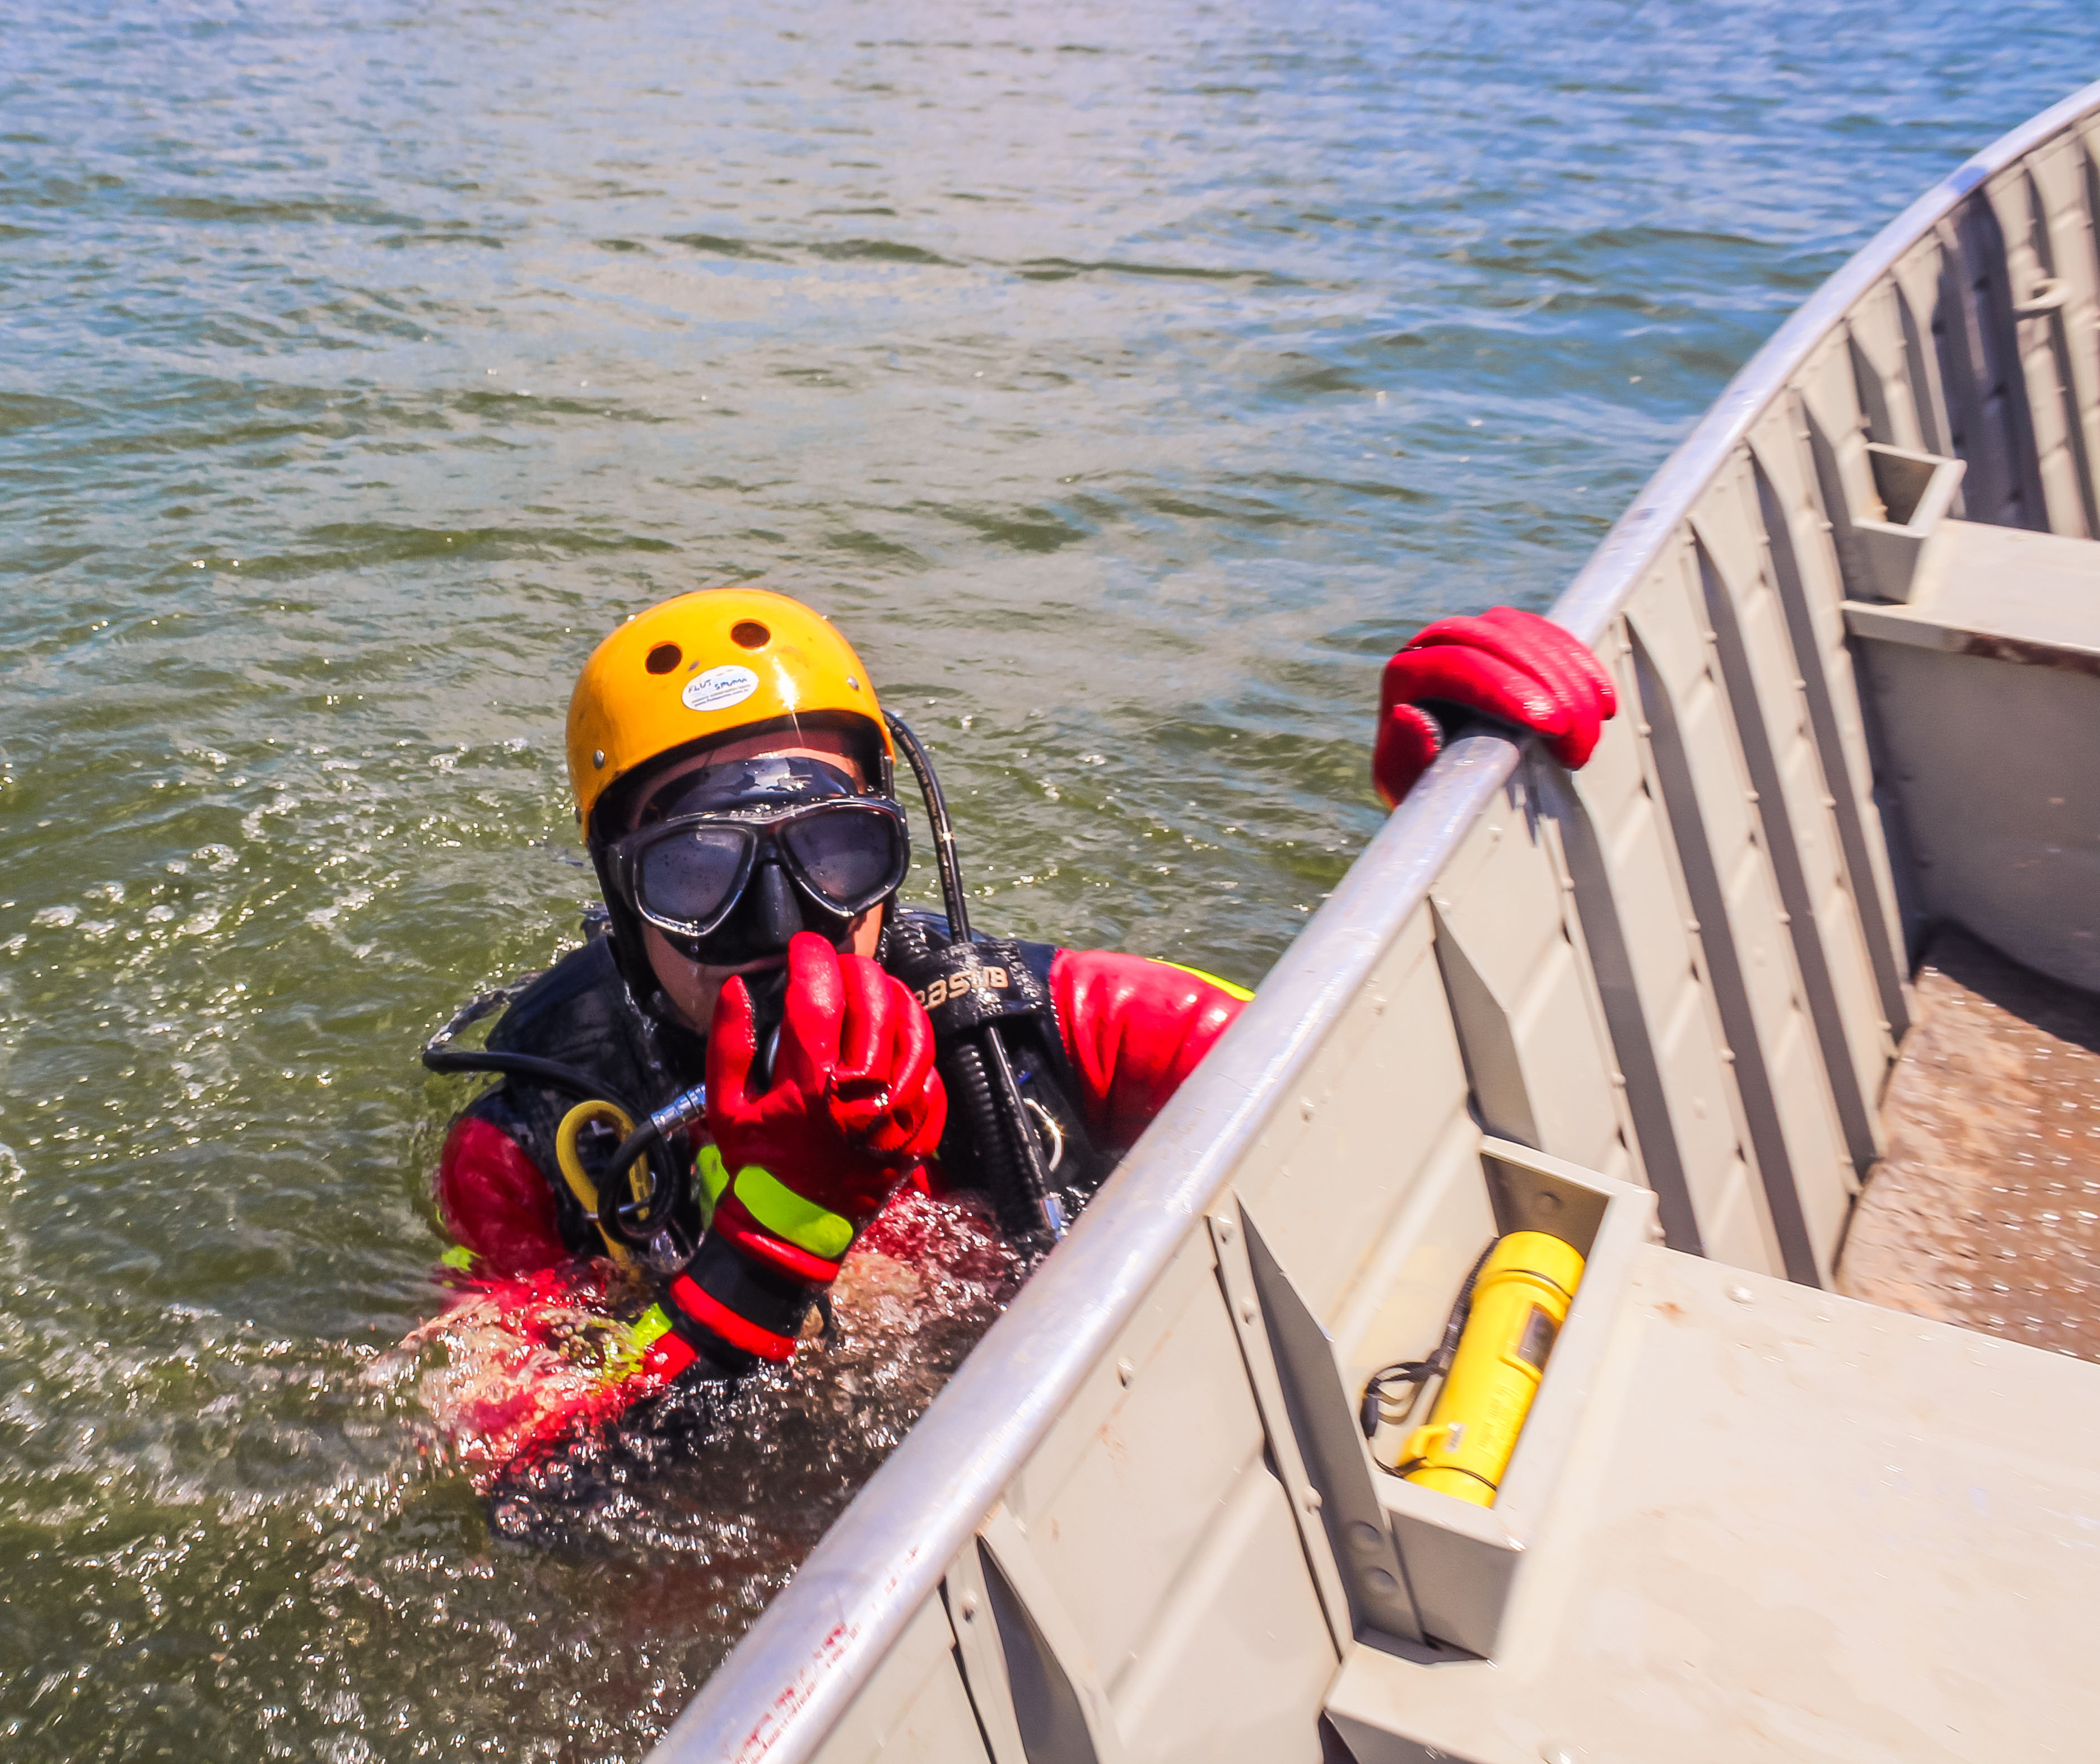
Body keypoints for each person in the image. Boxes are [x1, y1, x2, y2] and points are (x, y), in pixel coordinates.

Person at [417, 588, 1614, 1486]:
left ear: (899, 842)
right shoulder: (537, 1141)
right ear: (624, 903)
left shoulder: (1042, 1024)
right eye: (699, 871)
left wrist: (1446, 842)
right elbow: (529, 1490)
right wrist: (765, 1256)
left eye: (836, 852)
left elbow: (1376, 1087)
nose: (784, 927)